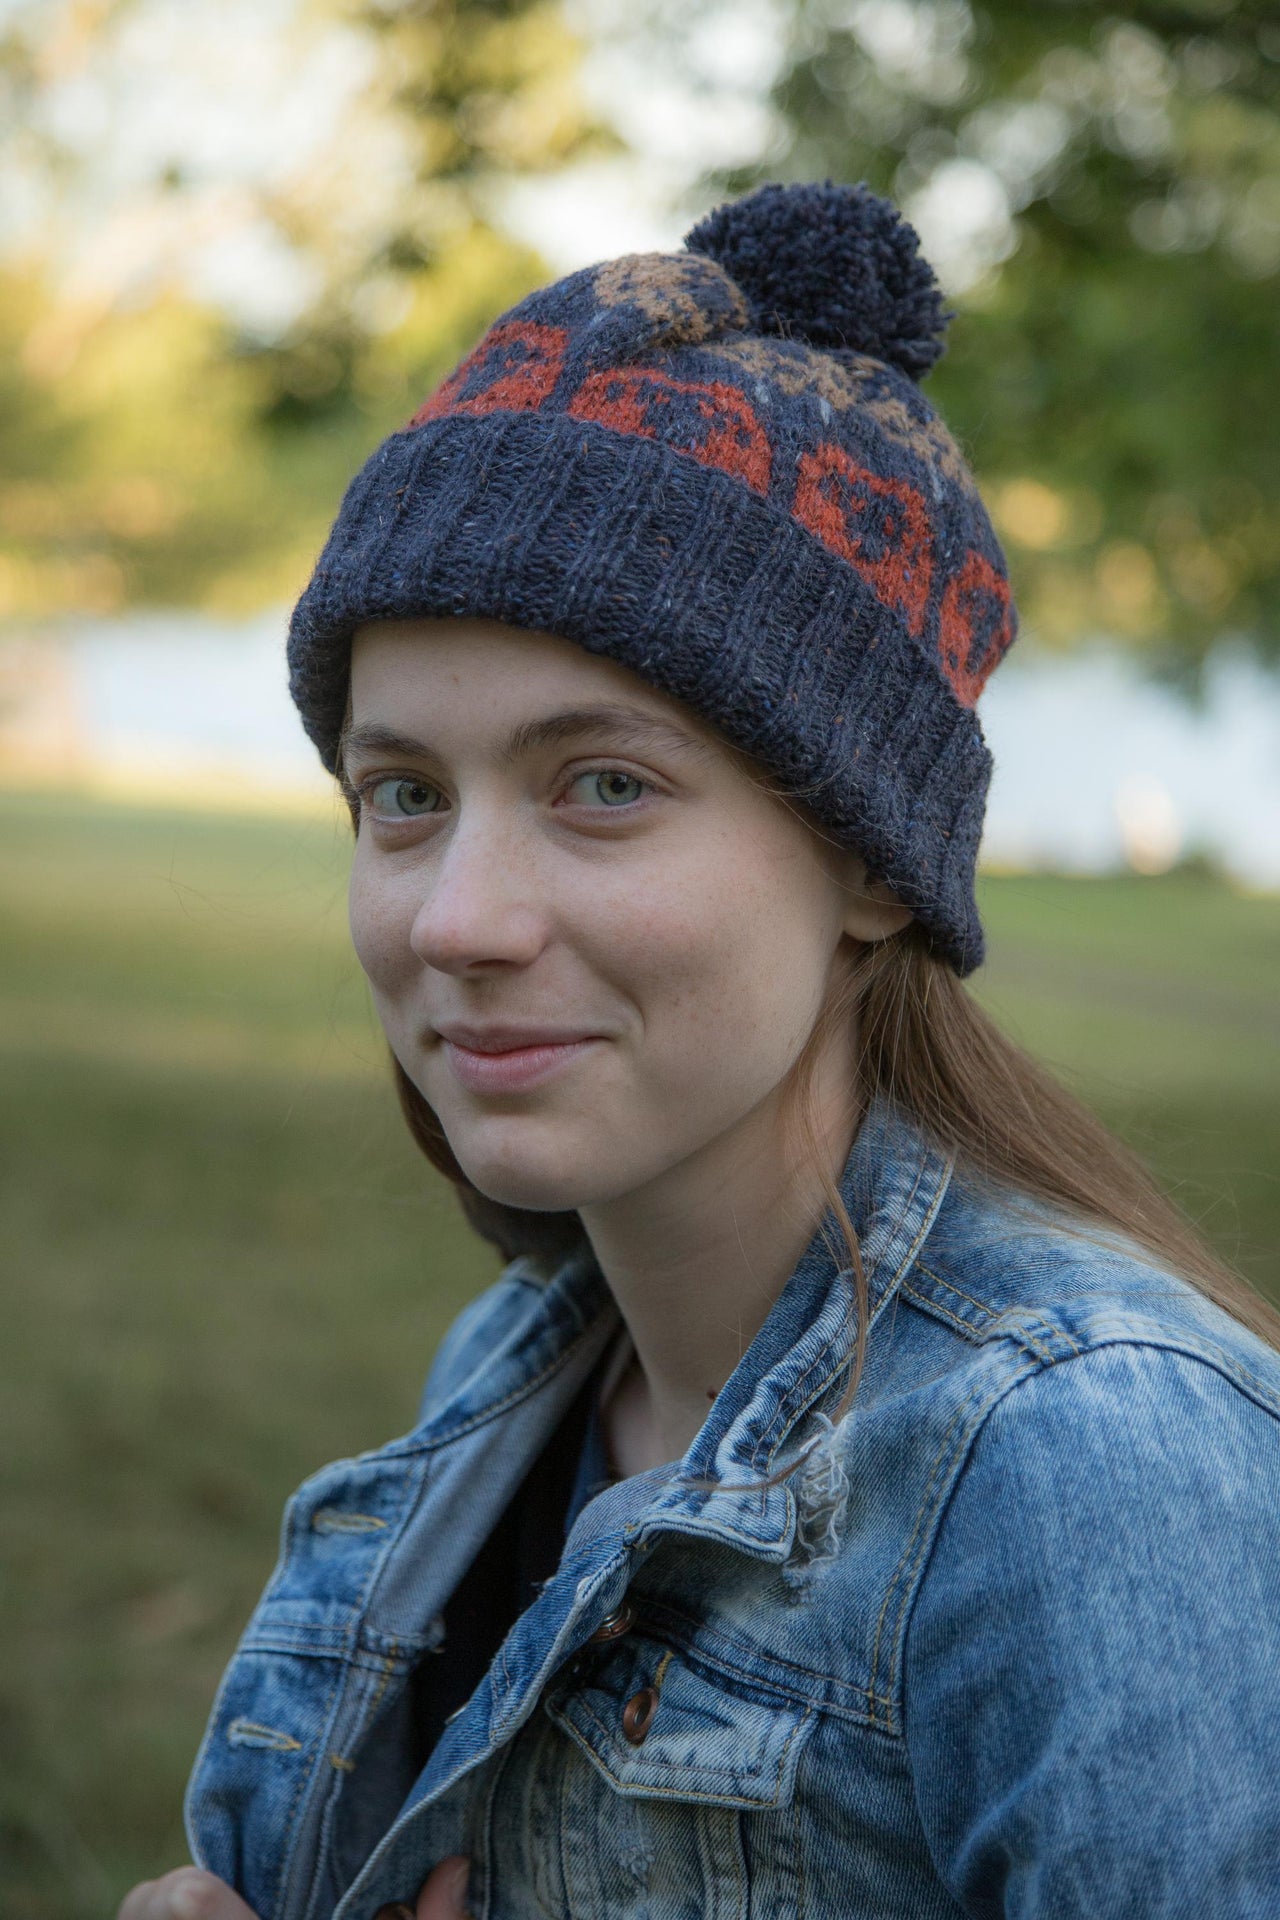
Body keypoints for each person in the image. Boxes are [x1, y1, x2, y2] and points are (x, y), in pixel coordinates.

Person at [119, 181, 1280, 1920]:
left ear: (873, 865)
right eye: (405, 797)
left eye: (607, 787)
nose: (458, 919)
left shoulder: (1083, 1463)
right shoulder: (523, 1367)